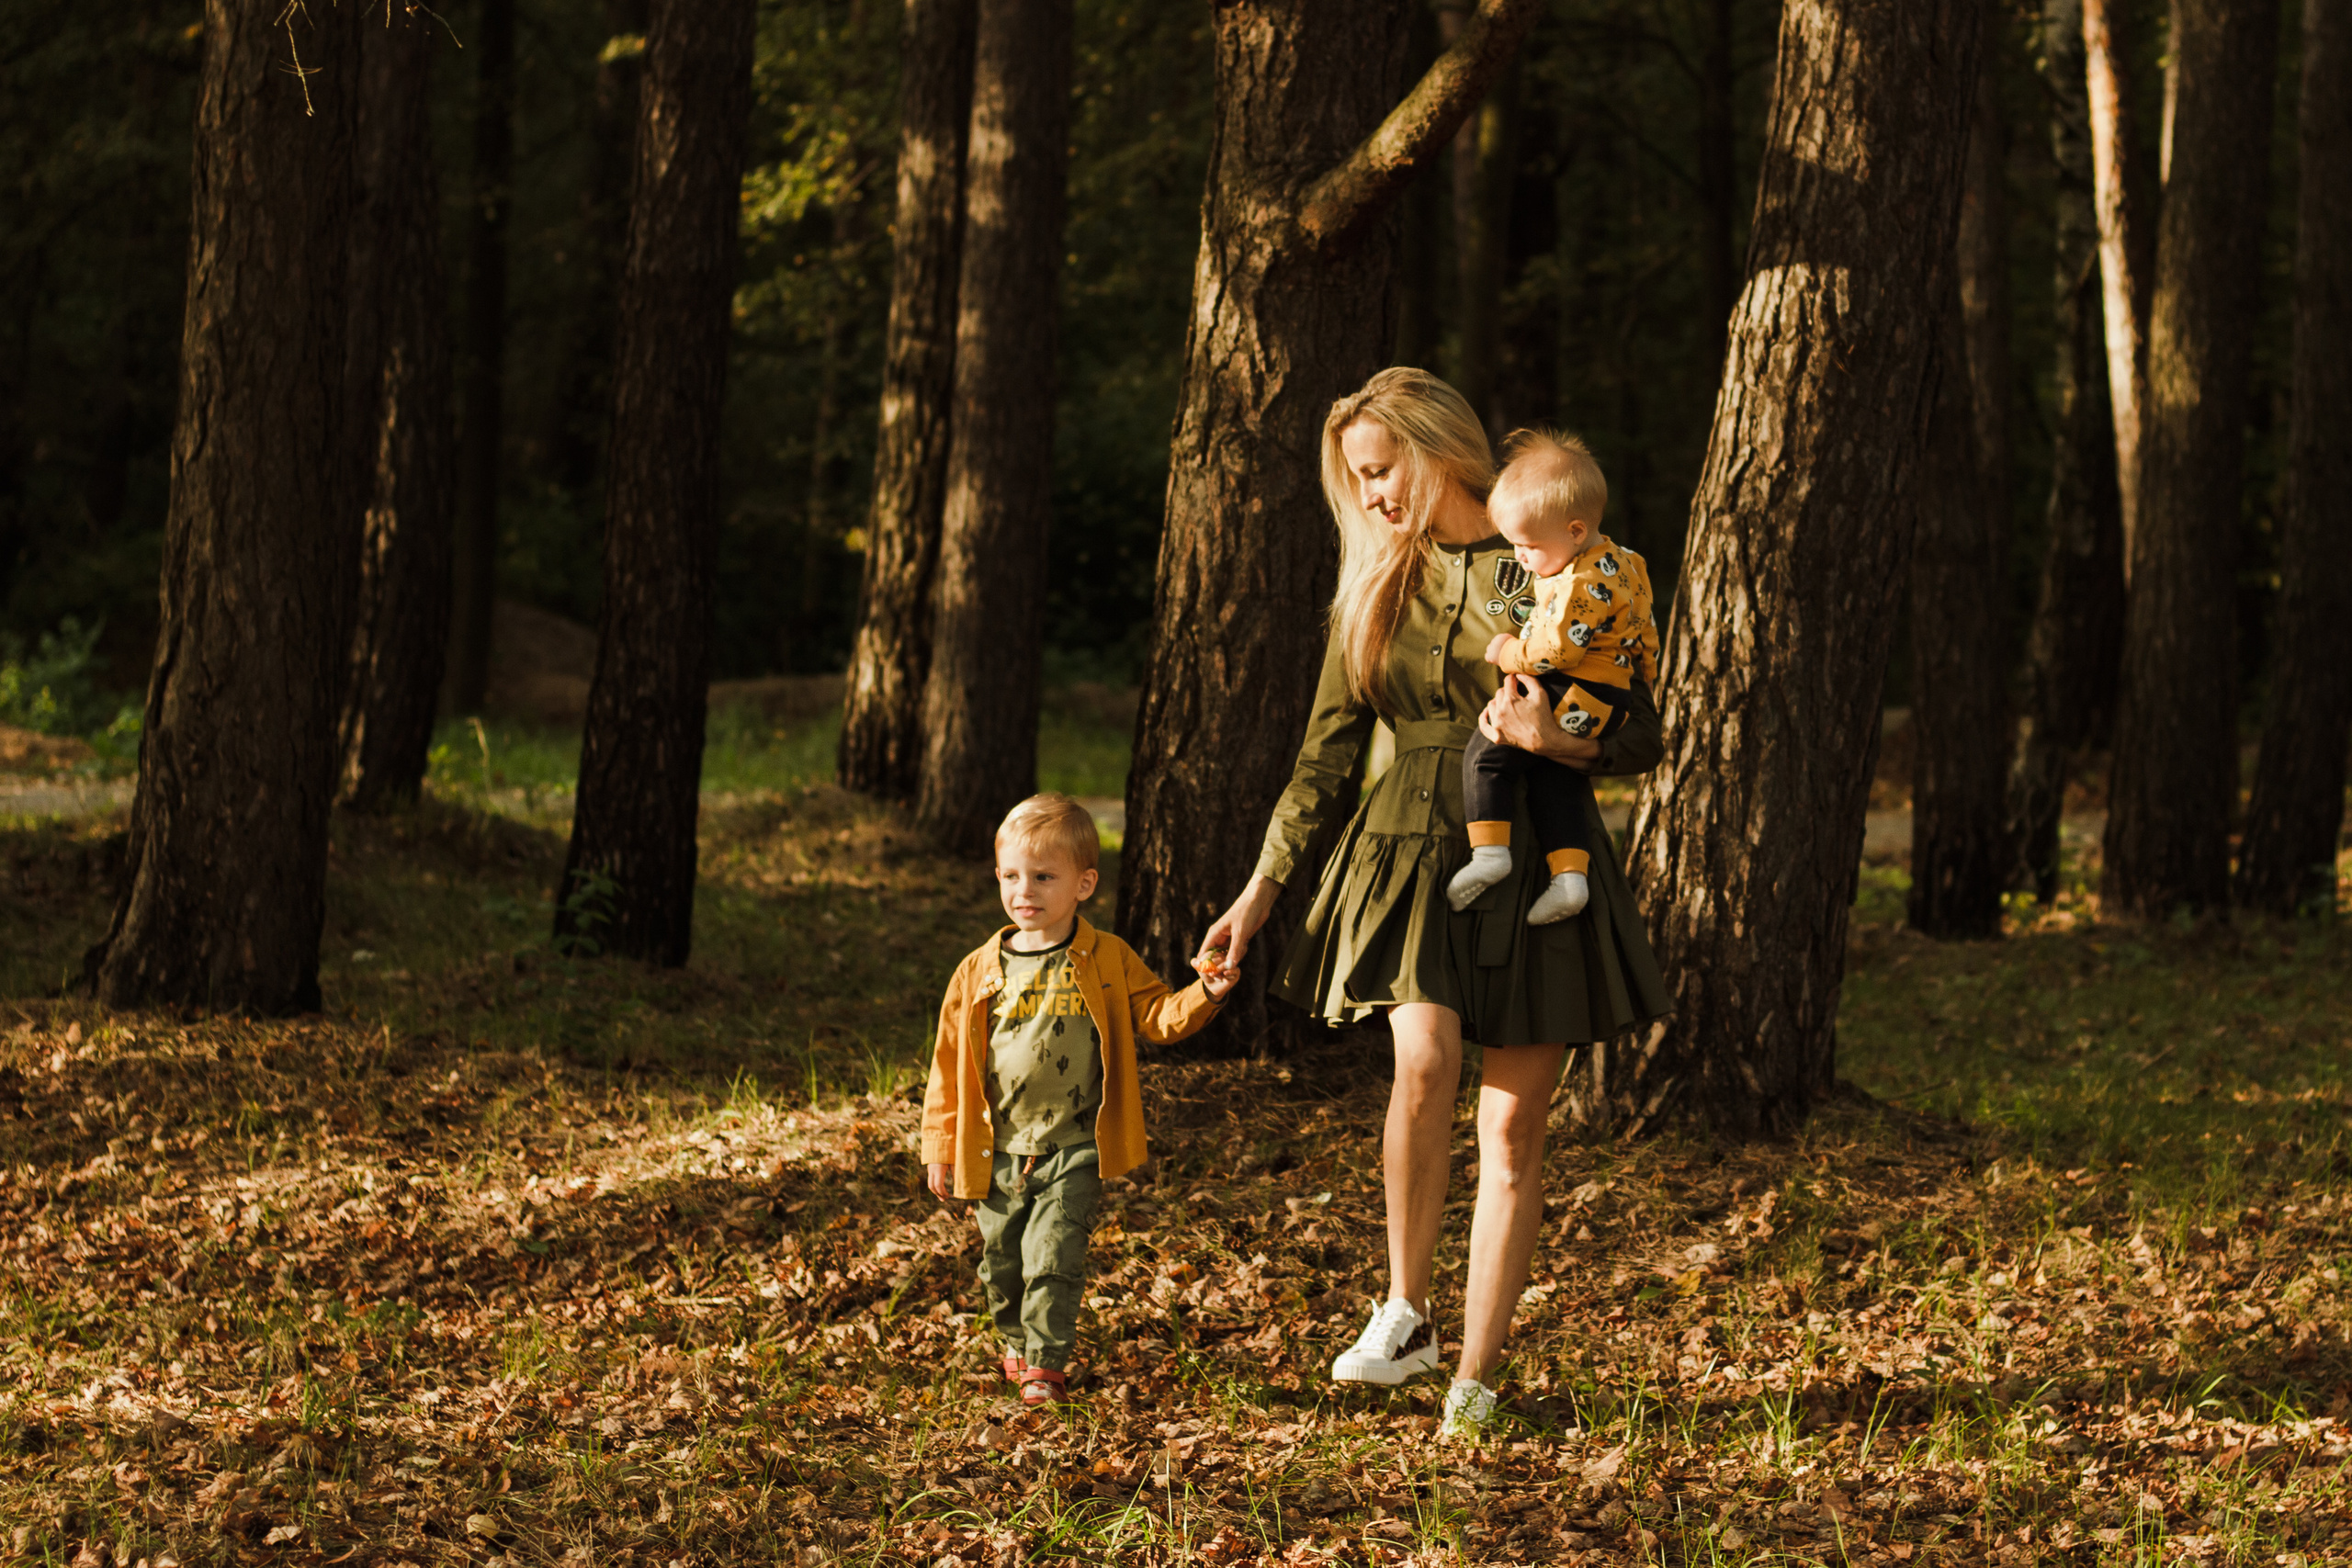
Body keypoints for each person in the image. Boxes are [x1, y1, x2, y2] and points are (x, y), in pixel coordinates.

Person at [1194, 368, 1671, 1438]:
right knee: (1421, 1060)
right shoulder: (1375, 587)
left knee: (1510, 1129)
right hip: (1410, 847)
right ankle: (1404, 1314)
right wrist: (1259, 892)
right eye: (1353, 480)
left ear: (1436, 452)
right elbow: (1322, 762)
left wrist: (1564, 740)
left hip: (1543, 842)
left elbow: (1637, 725)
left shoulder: (1543, 563)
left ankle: (1477, 1375)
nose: (1367, 497)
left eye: (1378, 471)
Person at [921, 794, 1234, 1406]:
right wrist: (939, 1146)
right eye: (1011, 875)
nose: (1024, 890)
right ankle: (1016, 1341)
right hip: (997, 1151)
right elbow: (947, 1066)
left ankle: (1045, 1366)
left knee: (1054, 1257)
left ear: (1084, 883)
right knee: (1002, 1266)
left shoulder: (1106, 957)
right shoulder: (978, 969)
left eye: (1043, 876)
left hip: (1074, 1147)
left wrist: (1208, 992)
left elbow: (1160, 1016)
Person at [1446, 429, 1658, 926]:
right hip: (1611, 696)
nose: (1520, 556)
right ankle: (1570, 879)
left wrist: (1507, 651)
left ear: (1577, 530)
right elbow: (1645, 627)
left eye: (1529, 545)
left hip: (1571, 688)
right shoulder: (1628, 564)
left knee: (1489, 750)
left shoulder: (1576, 584)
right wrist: (1645, 669)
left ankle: (1490, 854)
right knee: (1555, 774)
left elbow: (1555, 650)